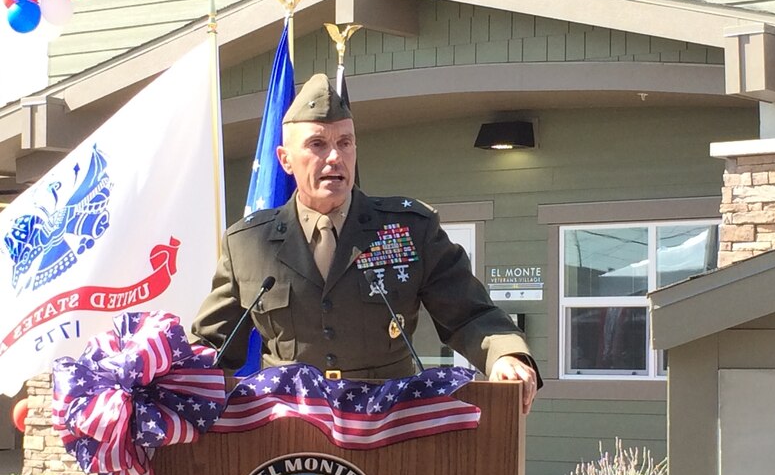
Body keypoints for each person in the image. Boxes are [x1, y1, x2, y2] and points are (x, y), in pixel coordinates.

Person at [191, 74, 541, 412]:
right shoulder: (248, 244)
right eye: (317, 144)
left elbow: (469, 313)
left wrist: (505, 354)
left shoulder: (409, 228)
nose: (334, 157)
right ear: (285, 159)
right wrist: (174, 374)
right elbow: (212, 343)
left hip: (387, 422)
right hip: (288, 424)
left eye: (345, 143)